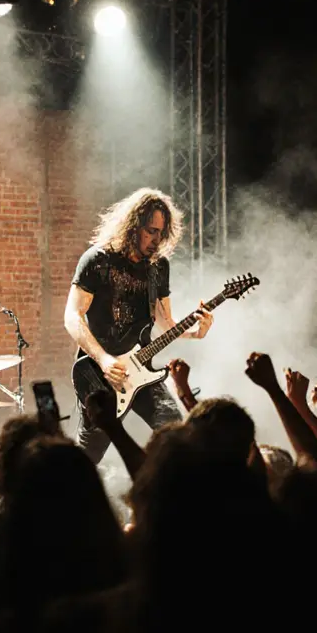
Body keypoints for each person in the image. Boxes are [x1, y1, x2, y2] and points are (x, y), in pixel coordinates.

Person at [63, 188, 213, 464]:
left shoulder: (158, 267)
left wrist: (196, 332)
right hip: (100, 375)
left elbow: (166, 323)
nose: (156, 240)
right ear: (133, 226)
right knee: (85, 459)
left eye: (161, 233)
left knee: (177, 436)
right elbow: (72, 316)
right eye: (150, 231)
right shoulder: (98, 260)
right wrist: (105, 360)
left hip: (142, 371)